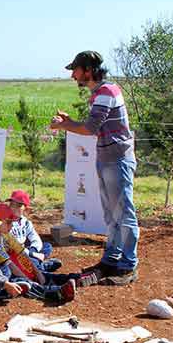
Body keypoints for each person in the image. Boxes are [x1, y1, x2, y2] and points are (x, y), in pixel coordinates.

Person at [50, 50, 139, 285]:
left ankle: (127, 266)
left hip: (116, 159)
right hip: (110, 157)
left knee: (123, 212)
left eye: (75, 70)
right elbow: (95, 127)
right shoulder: (100, 93)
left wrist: (65, 125)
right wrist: (69, 123)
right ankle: (112, 260)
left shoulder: (106, 92)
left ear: (88, 70)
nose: (73, 76)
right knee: (111, 213)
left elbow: (90, 128)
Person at [0, 203, 75, 303]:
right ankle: (55, 292)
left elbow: (22, 253)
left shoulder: (4, 233)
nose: (11, 226)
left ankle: (76, 278)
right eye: (8, 223)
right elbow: (9, 264)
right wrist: (29, 278)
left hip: (13, 266)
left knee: (37, 269)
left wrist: (37, 274)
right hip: (2, 272)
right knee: (22, 280)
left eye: (12, 222)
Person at [6, 189, 61, 272]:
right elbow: (14, 246)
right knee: (30, 261)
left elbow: (35, 238)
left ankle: (36, 264)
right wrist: (33, 254)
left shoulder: (26, 222)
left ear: (26, 209)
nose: (13, 208)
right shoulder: (6, 221)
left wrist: (33, 251)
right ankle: (43, 267)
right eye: (12, 204)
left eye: (18, 206)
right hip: (14, 253)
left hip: (26, 251)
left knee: (47, 246)